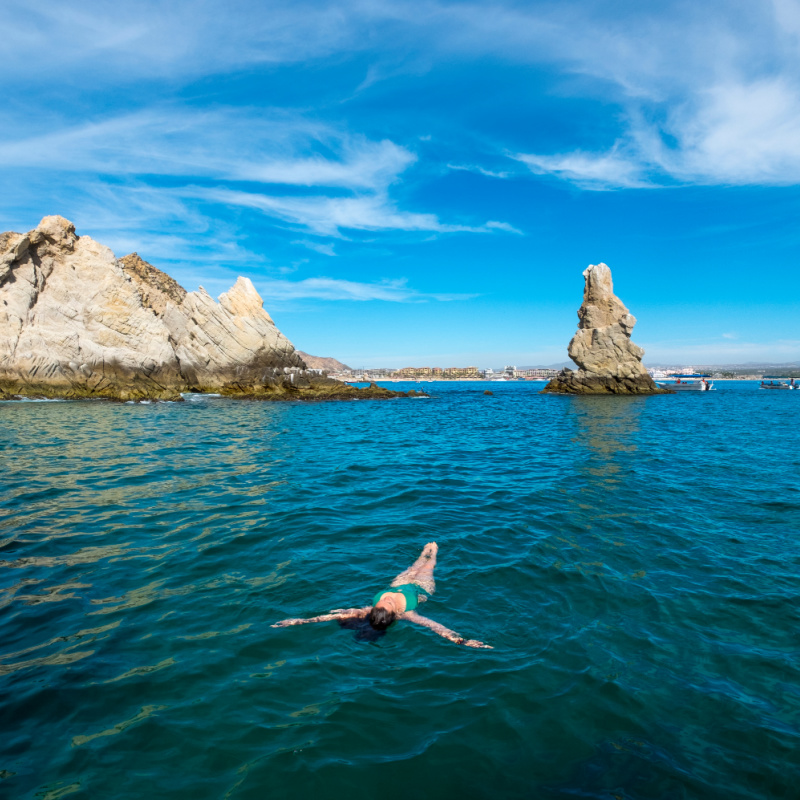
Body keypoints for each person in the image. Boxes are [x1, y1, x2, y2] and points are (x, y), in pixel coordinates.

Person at [271, 542, 492, 648]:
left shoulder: (372, 610)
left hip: (399, 584)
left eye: (381, 604)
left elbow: (330, 615)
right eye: (384, 604)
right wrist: (462, 641)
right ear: (392, 614)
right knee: (426, 568)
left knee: (414, 565)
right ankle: (433, 553)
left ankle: (425, 551)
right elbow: (436, 627)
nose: (383, 601)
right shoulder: (407, 614)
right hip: (421, 589)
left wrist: (298, 621)